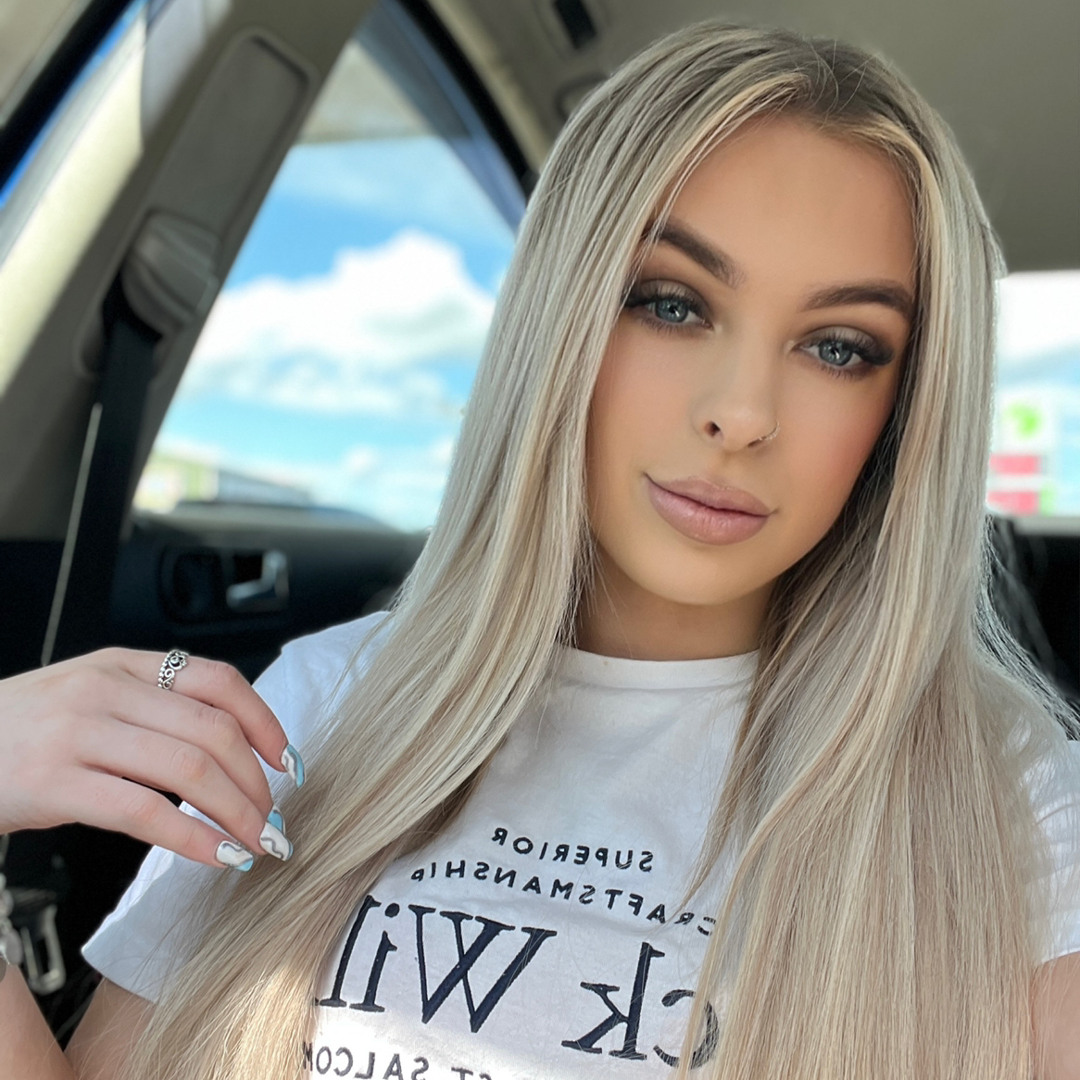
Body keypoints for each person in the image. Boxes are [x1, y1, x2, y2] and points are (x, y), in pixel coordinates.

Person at [2, 18, 1079, 1080]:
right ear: (563, 317)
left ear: (903, 409)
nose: (744, 413)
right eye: (671, 303)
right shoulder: (326, 700)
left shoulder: (1006, 793)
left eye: (839, 347)